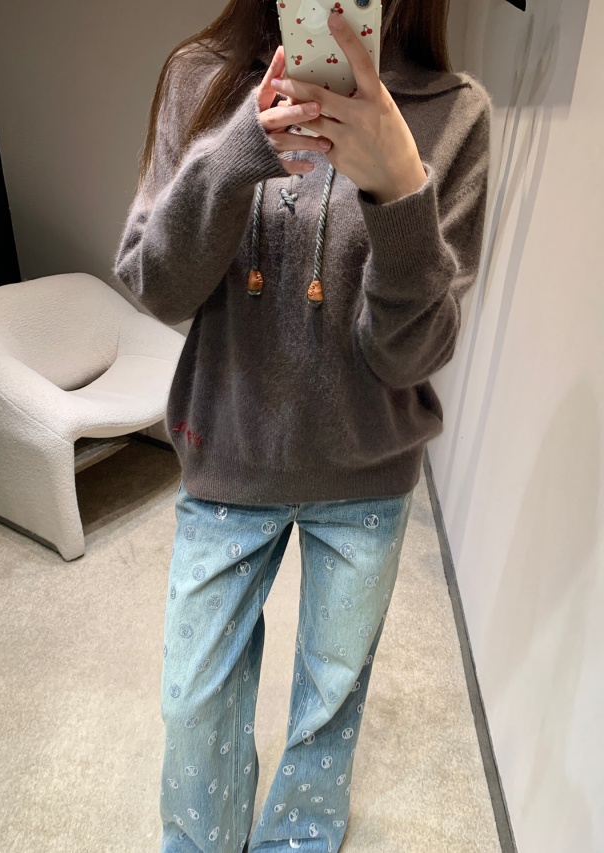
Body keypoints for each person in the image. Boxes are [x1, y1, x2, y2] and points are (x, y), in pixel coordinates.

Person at [113, 1, 491, 851]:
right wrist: (238, 154)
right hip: (228, 452)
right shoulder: (202, 80)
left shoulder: (452, 113)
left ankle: (300, 838)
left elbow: (409, 355)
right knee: (193, 701)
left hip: (367, 477)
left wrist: (399, 190)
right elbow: (155, 285)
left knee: (331, 698)